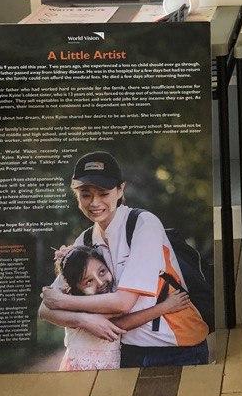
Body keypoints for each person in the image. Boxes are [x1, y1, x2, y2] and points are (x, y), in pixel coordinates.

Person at [38, 152, 211, 367]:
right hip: (126, 352)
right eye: (85, 194)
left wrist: (63, 302)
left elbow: (122, 303)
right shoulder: (85, 240)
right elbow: (45, 310)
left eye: (103, 193)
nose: (94, 202)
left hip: (176, 347)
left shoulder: (143, 224)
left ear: (120, 190)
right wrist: (83, 319)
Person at [51, 244, 191, 371]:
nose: (100, 283)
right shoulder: (82, 305)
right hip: (82, 373)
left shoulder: (102, 298)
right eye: (88, 281)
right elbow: (120, 324)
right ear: (75, 289)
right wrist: (165, 307)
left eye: (102, 272)